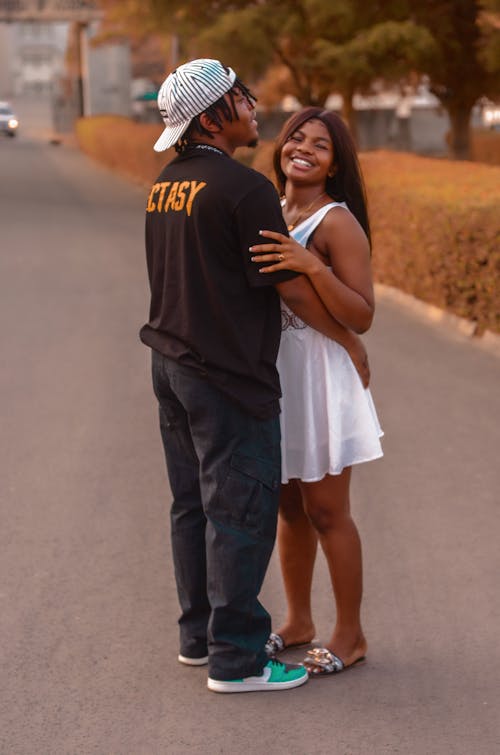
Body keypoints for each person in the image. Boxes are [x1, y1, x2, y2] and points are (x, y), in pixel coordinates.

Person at [140, 60, 368, 693]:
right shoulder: (244, 189)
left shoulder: (168, 182)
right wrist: (349, 339)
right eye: (239, 97)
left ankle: (200, 637)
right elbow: (291, 291)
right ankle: (237, 660)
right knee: (240, 512)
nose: (253, 105)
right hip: (227, 376)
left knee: (194, 506)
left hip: (172, 365)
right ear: (212, 117)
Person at [249, 107, 383, 676]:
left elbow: (363, 315)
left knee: (328, 510)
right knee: (288, 506)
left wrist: (314, 266)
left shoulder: (335, 222)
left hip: (320, 376)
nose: (303, 149)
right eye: (296, 137)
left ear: (334, 163)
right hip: (278, 373)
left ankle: (349, 635)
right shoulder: (275, 208)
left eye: (320, 144)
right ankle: (298, 621)